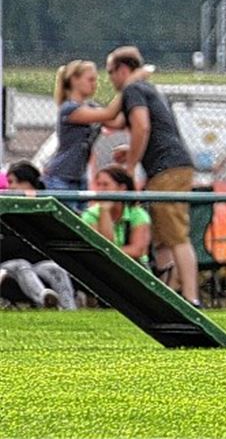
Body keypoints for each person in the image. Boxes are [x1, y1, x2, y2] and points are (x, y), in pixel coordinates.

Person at [105, 46, 200, 307]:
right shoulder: (147, 89)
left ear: (123, 70)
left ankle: (191, 298)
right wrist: (132, 151)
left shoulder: (134, 89)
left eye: (110, 73)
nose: (110, 79)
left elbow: (142, 126)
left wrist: (131, 166)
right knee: (162, 235)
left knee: (175, 234)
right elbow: (146, 128)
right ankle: (168, 294)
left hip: (168, 169)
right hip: (168, 167)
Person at [43, 59, 134, 212]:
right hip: (60, 176)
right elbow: (109, 114)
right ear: (74, 80)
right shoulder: (69, 108)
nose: (94, 84)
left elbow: (117, 122)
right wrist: (128, 85)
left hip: (79, 176)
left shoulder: (91, 107)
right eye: (90, 79)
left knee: (82, 222)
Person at [1, 162, 77, 310]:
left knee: (54, 268)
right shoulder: (4, 213)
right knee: (21, 264)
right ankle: (44, 300)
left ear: (30, 185)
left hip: (37, 265)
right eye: (9, 182)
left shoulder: (45, 212)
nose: (11, 187)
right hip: (8, 267)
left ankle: (70, 309)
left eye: (16, 182)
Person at [81, 165, 152, 266]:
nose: (101, 190)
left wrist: (107, 251)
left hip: (134, 268)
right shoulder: (90, 215)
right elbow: (103, 245)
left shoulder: (138, 214)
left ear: (122, 188)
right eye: (98, 185)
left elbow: (137, 250)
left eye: (106, 185)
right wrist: (104, 211)